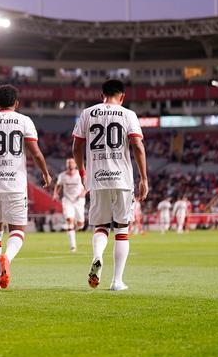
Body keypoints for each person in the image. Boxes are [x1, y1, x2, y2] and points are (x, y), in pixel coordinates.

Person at [72, 79, 148, 292]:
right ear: (122, 96)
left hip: (97, 178)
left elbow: (76, 147)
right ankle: (117, 281)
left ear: (101, 94)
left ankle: (98, 256)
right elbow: (138, 147)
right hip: (122, 179)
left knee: (101, 226)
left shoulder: (87, 113)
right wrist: (144, 178)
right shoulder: (128, 114)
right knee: (122, 230)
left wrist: (82, 171)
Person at [0, 85, 52, 289]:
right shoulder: (24, 121)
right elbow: (36, 153)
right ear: (16, 103)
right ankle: (7, 258)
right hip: (15, 183)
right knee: (17, 231)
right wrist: (45, 173)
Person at [53, 158, 86, 252]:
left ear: (75, 164)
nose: (70, 164)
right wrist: (55, 194)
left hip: (79, 201)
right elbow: (58, 185)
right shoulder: (62, 175)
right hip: (67, 200)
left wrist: (84, 192)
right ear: (66, 165)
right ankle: (73, 246)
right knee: (69, 220)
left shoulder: (80, 174)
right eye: (68, 163)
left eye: (72, 163)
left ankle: (76, 226)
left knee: (80, 224)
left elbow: (86, 185)